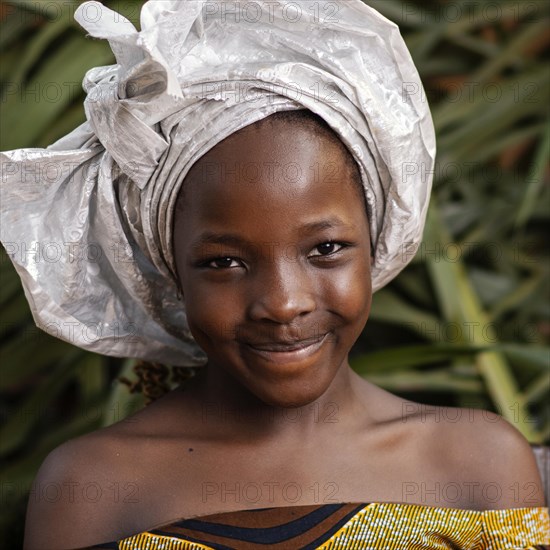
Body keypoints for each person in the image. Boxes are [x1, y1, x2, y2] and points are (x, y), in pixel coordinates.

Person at [1, 1, 547, 549]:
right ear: (166, 268)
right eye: (223, 262)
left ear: (379, 240)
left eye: (326, 249)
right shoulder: (90, 489)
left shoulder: (477, 465)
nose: (284, 304)